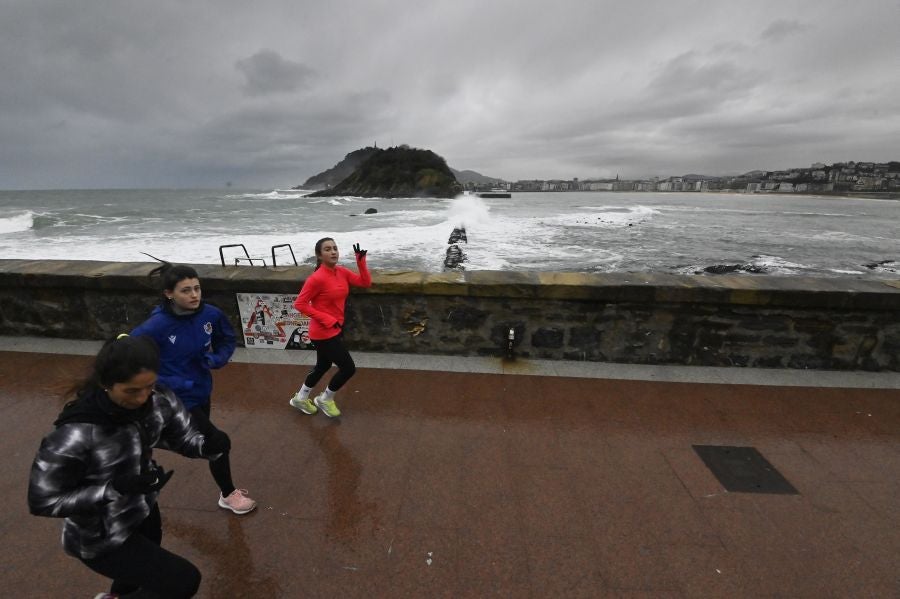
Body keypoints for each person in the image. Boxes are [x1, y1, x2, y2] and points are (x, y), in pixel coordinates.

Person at [28, 334, 230, 598]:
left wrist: (208, 446)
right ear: (106, 384)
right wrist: (114, 488)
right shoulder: (74, 435)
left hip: (142, 511)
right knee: (182, 581)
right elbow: (43, 501)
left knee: (136, 581)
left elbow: (181, 438)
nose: (143, 398)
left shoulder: (158, 399)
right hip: (101, 534)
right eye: (131, 391)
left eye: (149, 386)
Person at [131, 262, 256, 515]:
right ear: (169, 294)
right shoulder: (154, 327)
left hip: (201, 390)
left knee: (204, 442)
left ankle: (149, 438)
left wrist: (216, 359)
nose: (194, 295)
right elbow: (133, 361)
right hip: (174, 396)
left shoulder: (210, 314)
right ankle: (228, 494)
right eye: (185, 290)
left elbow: (227, 339)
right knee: (217, 442)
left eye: (197, 288)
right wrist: (177, 383)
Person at [289, 238, 371, 418]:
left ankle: (301, 397)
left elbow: (365, 283)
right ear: (319, 255)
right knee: (348, 368)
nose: (333, 252)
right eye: (327, 249)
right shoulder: (316, 278)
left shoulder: (341, 272)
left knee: (323, 365)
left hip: (335, 328)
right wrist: (325, 318)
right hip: (322, 332)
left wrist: (361, 261)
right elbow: (300, 304)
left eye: (335, 248)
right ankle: (325, 398)